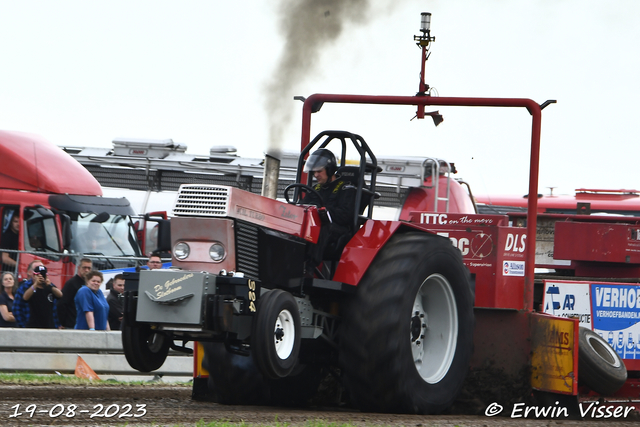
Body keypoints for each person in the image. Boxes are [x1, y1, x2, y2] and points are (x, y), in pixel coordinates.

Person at [302, 149, 357, 262]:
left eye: (319, 171)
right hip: (315, 226)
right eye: (313, 172)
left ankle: (309, 266)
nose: (316, 175)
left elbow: (345, 215)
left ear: (330, 169)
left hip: (338, 230)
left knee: (321, 228)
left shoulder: (346, 188)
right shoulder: (314, 189)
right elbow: (302, 207)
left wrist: (323, 211)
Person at [56, 258, 92, 328]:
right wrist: (61, 323)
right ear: (79, 268)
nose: (87, 270)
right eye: (84, 268)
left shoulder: (89, 284)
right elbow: (61, 303)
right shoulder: (71, 283)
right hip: (71, 324)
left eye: (89, 268)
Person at [12, 260, 45, 327]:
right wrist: (24, 326)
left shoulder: (49, 287)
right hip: (29, 326)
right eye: (36, 269)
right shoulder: (23, 287)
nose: (40, 272)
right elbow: (16, 309)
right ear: (29, 272)